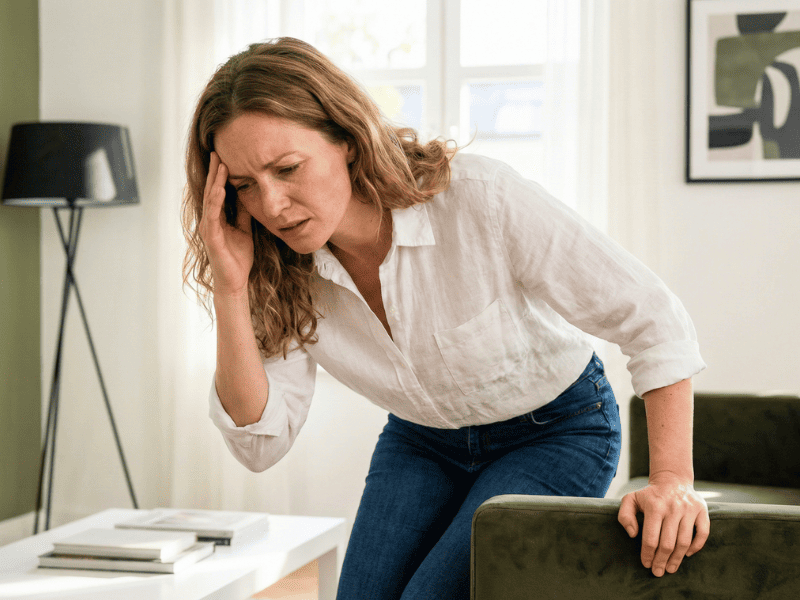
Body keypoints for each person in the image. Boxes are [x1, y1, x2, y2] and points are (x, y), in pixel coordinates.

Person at [182, 37, 709, 599]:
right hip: (423, 440)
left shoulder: (481, 200)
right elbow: (260, 443)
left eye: (287, 168)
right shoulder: (277, 268)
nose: (271, 205)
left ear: (348, 141)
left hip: (557, 430)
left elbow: (653, 318)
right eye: (245, 186)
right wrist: (231, 288)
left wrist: (672, 480)